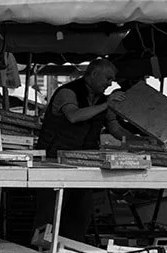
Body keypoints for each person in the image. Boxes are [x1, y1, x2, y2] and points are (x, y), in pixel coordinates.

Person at [33, 58, 130, 242]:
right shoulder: (68, 92)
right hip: (54, 163)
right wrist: (106, 104)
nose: (110, 83)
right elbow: (74, 116)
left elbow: (115, 129)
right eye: (107, 78)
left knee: (80, 215)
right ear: (93, 75)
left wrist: (143, 141)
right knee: (49, 215)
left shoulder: (103, 100)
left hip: (86, 164)